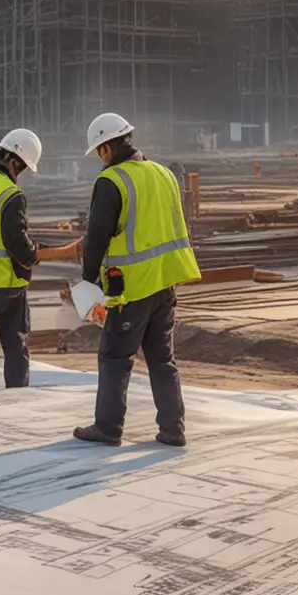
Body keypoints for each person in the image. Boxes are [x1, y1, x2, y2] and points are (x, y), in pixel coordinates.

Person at [70, 113, 199, 447]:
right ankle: (173, 430)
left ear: (105, 149)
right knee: (162, 359)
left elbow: (96, 238)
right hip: (165, 283)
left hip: (130, 288)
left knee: (114, 357)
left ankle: (108, 429)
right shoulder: (165, 174)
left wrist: (88, 283)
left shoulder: (111, 181)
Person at [0, 128, 81, 397]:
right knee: (15, 340)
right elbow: (20, 248)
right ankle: (17, 390)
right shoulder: (13, 195)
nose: (19, 175)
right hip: (9, 283)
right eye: (21, 169)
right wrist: (64, 252)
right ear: (13, 162)